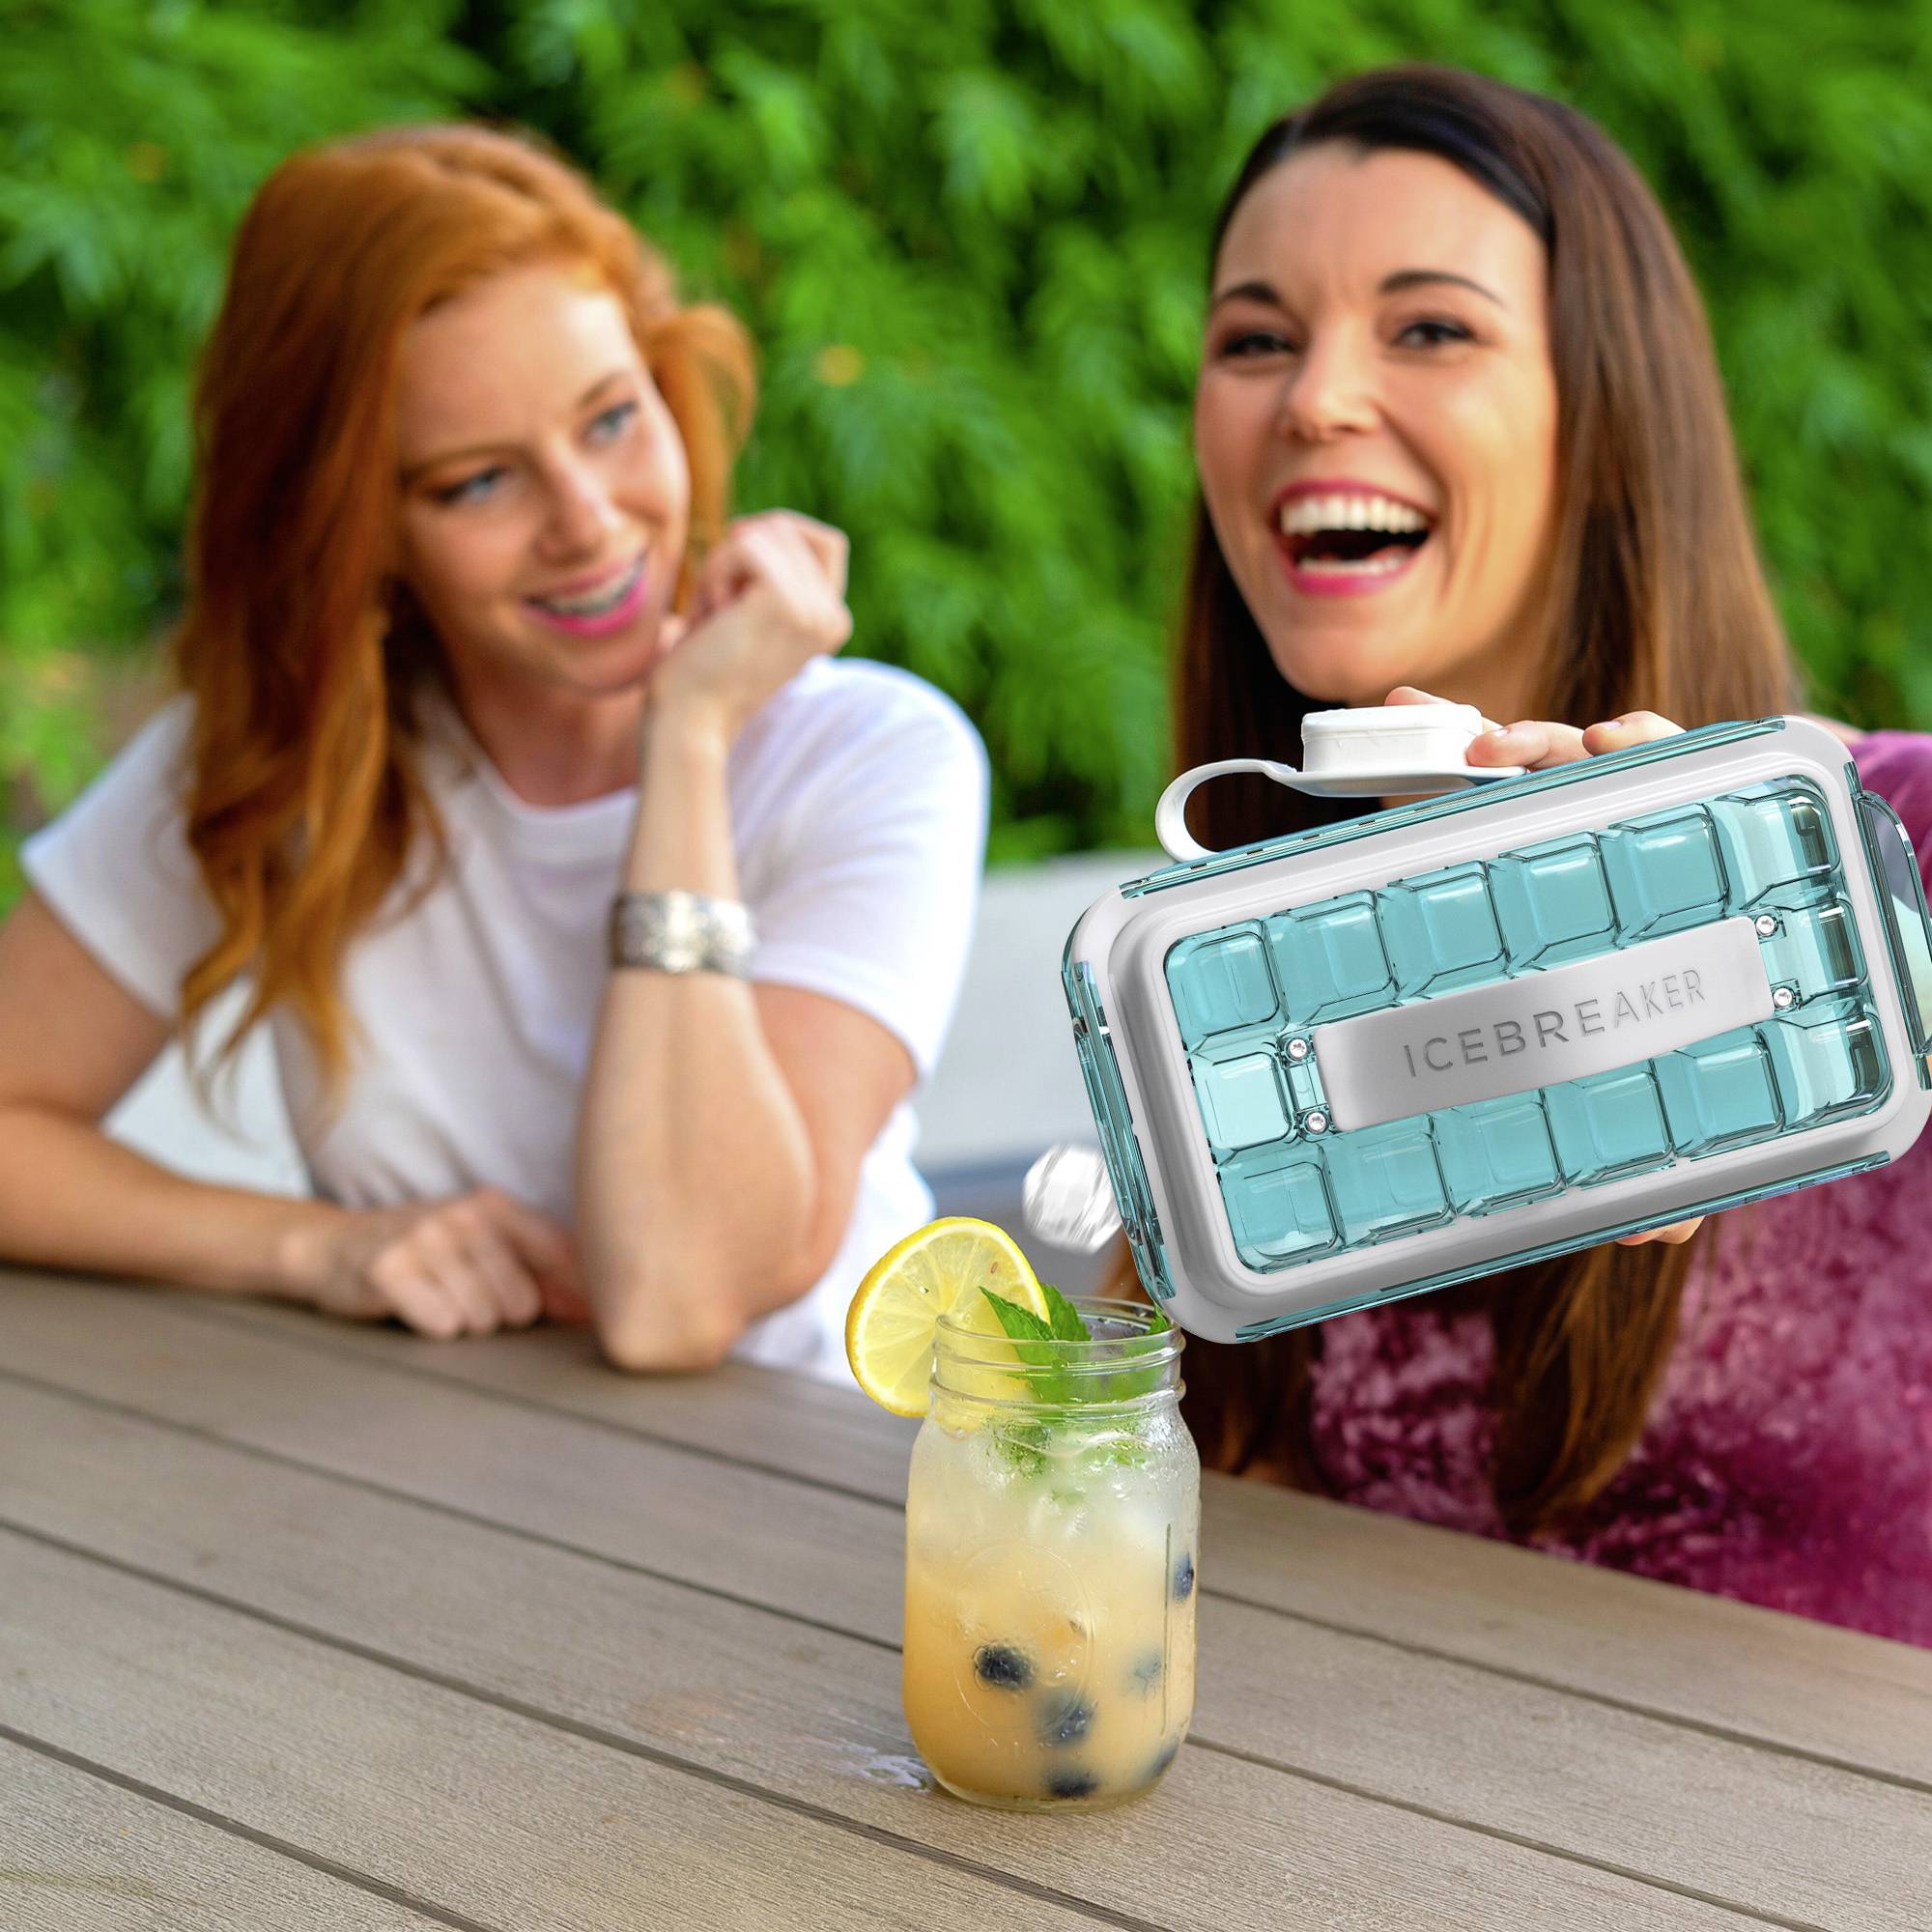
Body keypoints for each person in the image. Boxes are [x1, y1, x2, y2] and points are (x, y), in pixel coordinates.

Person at [0, 125, 987, 1384]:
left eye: (613, 420)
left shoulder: (869, 757)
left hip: (826, 1508)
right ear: (361, 532)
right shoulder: (293, 760)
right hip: (454, 1494)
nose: (587, 521)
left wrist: (686, 740)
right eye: (477, 485)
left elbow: (676, 1302)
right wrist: (317, 1249)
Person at [1152, 64, 1932, 1644]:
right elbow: (1148, 1471)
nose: (1314, 398)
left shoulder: (1899, 836)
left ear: (1607, 404)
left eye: (1429, 326)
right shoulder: (1223, 948)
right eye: (1255, 338)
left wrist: (1773, 967)